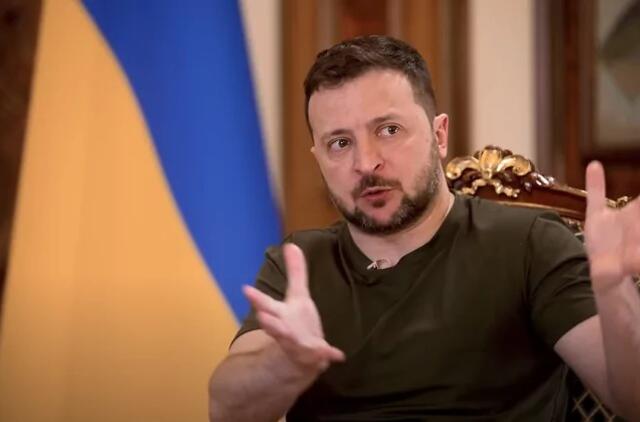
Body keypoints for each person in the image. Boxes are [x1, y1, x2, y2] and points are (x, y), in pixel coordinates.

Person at [208, 35, 640, 421]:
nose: (366, 163)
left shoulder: (529, 242)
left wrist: (614, 290)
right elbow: (227, 413)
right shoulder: (300, 264)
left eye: (388, 130)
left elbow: (632, 400)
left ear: (440, 135)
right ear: (318, 158)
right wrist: (284, 364)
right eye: (340, 143)